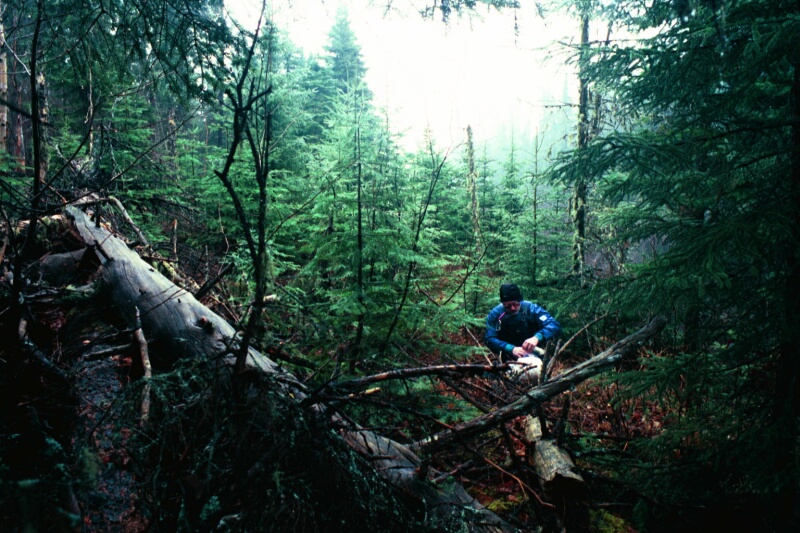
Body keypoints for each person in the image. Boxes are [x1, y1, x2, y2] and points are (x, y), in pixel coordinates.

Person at [485, 283, 561, 363]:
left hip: (533, 353)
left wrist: (537, 337)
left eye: (515, 304)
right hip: (506, 356)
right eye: (507, 306)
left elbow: (553, 325)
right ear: (502, 303)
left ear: (520, 301)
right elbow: (489, 338)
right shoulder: (496, 314)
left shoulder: (531, 309)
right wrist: (510, 348)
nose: (512, 308)